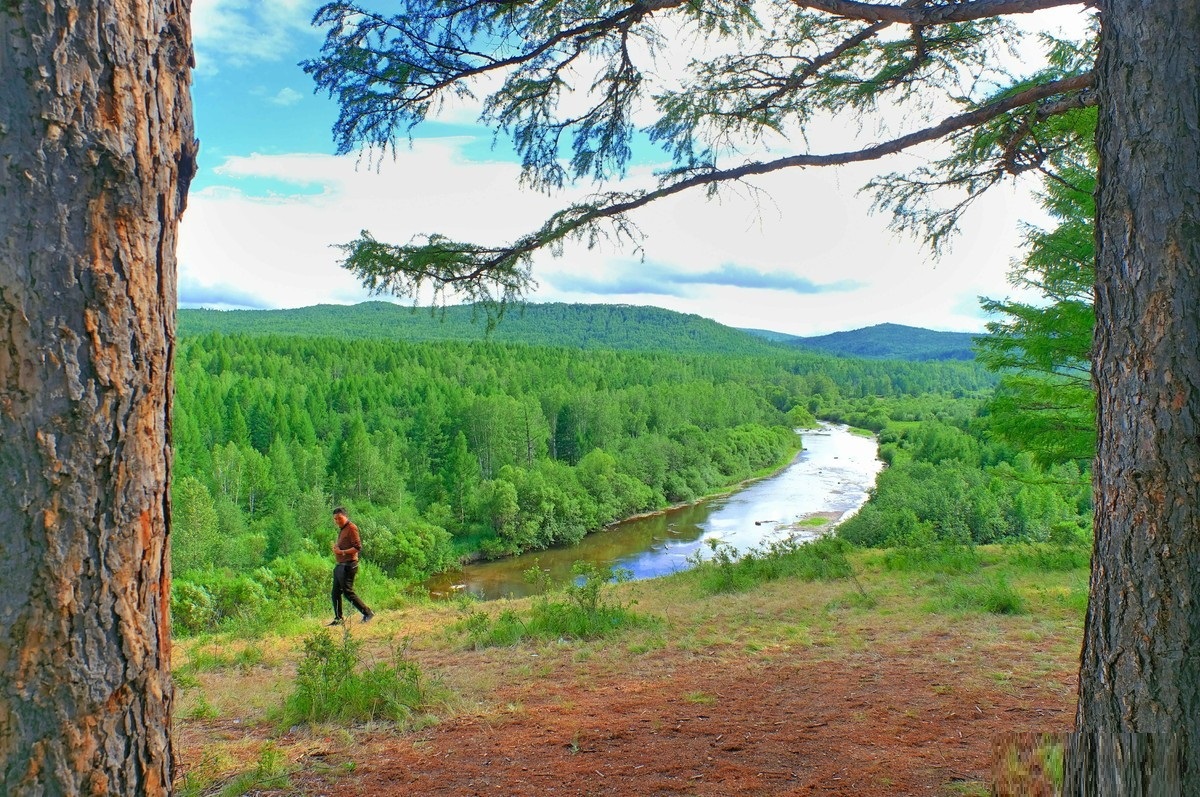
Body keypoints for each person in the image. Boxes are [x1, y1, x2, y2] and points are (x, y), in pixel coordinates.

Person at [329, 507, 374, 625]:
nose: (337, 521)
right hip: (340, 565)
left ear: (345, 516)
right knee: (335, 593)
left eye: (339, 518)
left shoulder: (351, 528)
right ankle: (338, 619)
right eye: (335, 519)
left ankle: (367, 613)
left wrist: (342, 552)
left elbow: (357, 547)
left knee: (348, 593)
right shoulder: (343, 529)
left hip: (349, 565)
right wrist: (337, 549)